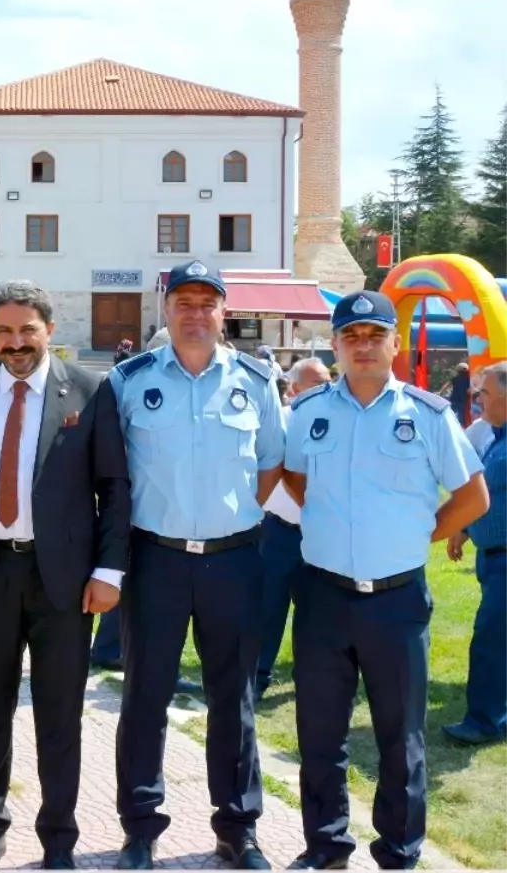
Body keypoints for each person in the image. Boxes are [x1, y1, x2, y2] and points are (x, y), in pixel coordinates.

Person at [282, 290, 488, 870]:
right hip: (323, 594)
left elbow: (473, 496)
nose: (364, 347)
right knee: (320, 733)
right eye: (352, 337)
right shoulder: (309, 412)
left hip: (395, 601)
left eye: (375, 336)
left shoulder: (427, 414)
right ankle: (325, 846)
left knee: (401, 737)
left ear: (394, 344)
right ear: (337, 346)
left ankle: (398, 852)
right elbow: (298, 484)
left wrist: (415, 533)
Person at [0, 280, 131, 870]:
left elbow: (114, 487)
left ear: (50, 331)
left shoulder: (89, 390)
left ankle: (58, 839)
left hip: (66, 582)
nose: (16, 342)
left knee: (59, 715)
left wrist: (108, 571)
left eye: (27, 330)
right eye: (4, 331)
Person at [109, 261, 285, 871]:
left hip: (233, 562)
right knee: (144, 696)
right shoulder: (129, 380)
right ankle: (139, 827)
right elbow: (114, 471)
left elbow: (268, 468)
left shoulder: (258, 383)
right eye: (183, 301)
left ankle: (237, 827)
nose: (195, 313)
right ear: (166, 309)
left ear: (222, 312)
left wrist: (225, 519)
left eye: (207, 303)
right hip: (154, 560)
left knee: (232, 700)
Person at [256, 357, 331, 701]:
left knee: (318, 611)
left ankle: (314, 680)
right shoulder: (283, 422)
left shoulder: (338, 421)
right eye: (316, 383)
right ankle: (257, 675)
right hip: (281, 532)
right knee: (268, 607)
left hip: (321, 533)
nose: (324, 389)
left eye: (328, 381)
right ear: (295, 389)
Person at [443, 360, 507, 747]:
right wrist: (465, 527)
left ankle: (483, 721)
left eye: (483, 392)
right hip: (493, 558)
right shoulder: (497, 436)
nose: (476, 398)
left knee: (491, 642)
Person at [443, 361, 472, 427]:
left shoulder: (456, 378)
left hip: (454, 399)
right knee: (460, 416)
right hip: (462, 400)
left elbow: (447, 384)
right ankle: (461, 428)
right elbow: (469, 390)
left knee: (450, 414)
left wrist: (441, 391)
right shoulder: (468, 379)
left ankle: (450, 426)